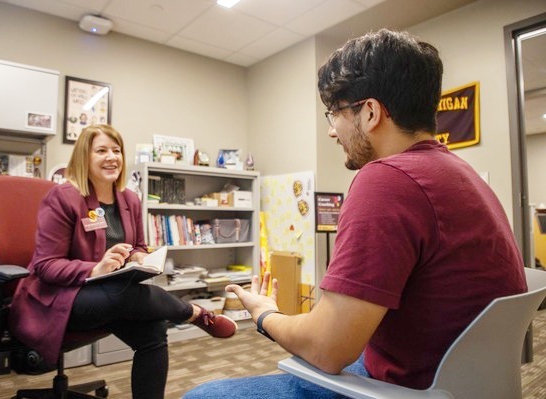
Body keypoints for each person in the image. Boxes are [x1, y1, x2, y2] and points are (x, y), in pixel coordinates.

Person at [184, 29, 527, 398]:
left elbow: (326, 350)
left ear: (370, 112)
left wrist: (266, 314)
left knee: (203, 395)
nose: (332, 132)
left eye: (334, 114)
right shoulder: (463, 174)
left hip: (409, 388)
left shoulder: (387, 179)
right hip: (457, 380)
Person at [8, 124, 237, 399]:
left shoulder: (129, 199)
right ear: (84, 157)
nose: (112, 157)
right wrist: (95, 268)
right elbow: (45, 265)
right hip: (62, 297)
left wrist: (140, 256)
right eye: (101, 150)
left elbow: (137, 245)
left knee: (153, 331)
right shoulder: (63, 198)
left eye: (116, 150)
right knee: (124, 295)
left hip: (112, 292)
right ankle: (194, 313)